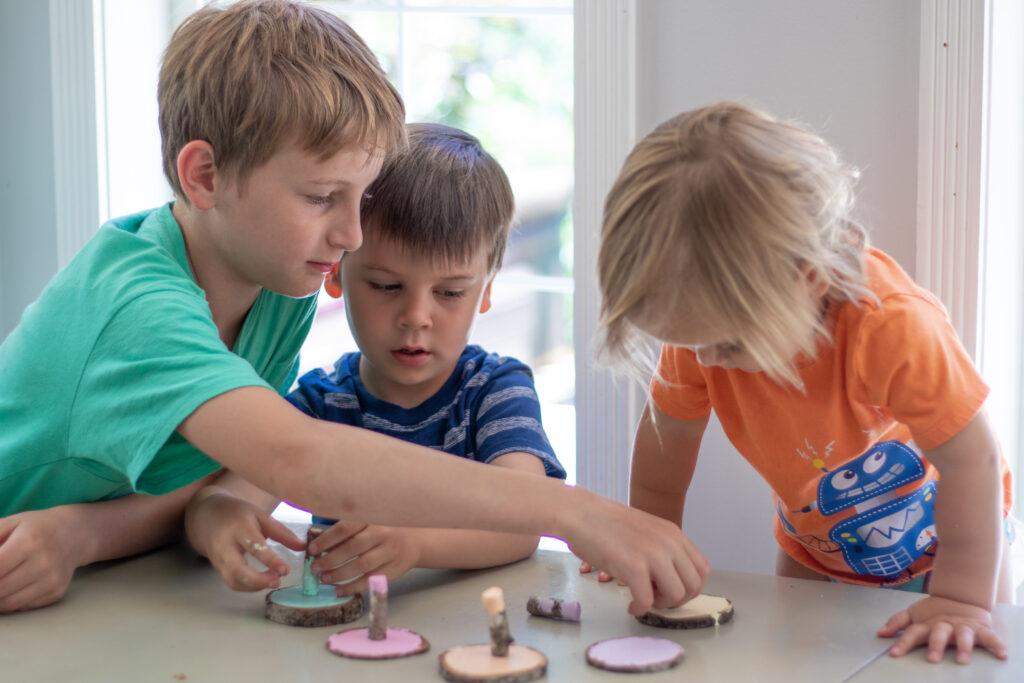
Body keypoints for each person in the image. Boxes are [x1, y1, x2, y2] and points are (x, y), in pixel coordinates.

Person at [0, 0, 707, 615]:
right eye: (320, 197)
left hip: (71, 584)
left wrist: (79, 532)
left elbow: (206, 478)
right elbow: (299, 460)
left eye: (358, 195)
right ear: (206, 176)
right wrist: (577, 510)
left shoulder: (277, 288)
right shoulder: (139, 306)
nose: (353, 235)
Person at [593, 101, 1014, 664]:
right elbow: (666, 443)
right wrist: (646, 539)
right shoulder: (702, 328)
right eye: (693, 344)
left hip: (953, 551)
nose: (707, 360)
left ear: (810, 278)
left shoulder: (892, 327)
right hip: (814, 552)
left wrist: (962, 602)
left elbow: (973, 461)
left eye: (727, 345)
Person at [185, 123, 567, 596]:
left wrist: (416, 545)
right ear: (336, 275)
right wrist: (218, 516)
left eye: (450, 292)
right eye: (386, 286)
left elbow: (524, 519)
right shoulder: (323, 401)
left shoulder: (495, 390)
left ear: (486, 291)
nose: (415, 317)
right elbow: (222, 497)